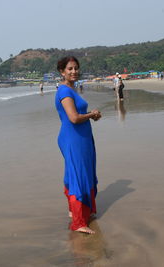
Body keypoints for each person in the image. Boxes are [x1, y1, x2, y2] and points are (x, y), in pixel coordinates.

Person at [55, 56, 101, 234]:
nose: (74, 71)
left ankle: (75, 211)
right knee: (78, 175)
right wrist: (92, 114)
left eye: (76, 68)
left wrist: (90, 115)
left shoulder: (71, 89)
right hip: (73, 138)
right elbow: (74, 118)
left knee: (78, 173)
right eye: (70, 69)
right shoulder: (64, 91)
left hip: (81, 137)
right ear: (62, 71)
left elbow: (77, 115)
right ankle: (79, 222)